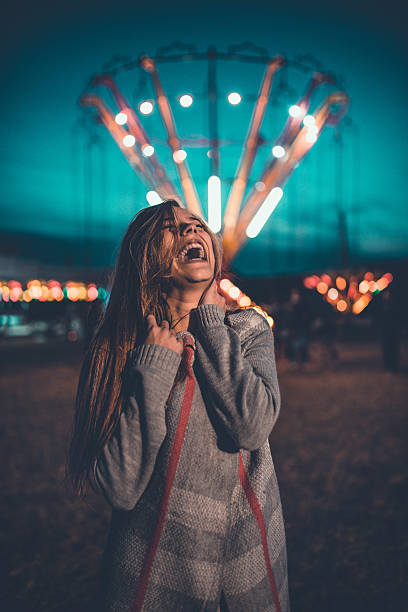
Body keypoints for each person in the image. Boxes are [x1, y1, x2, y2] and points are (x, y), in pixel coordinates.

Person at [67, 200, 290, 611]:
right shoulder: (118, 350)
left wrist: (210, 322)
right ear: (146, 257)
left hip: (245, 562)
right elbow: (120, 486)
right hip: (155, 575)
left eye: (197, 225)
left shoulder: (248, 330)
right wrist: (153, 369)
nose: (191, 232)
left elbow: (252, 425)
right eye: (173, 228)